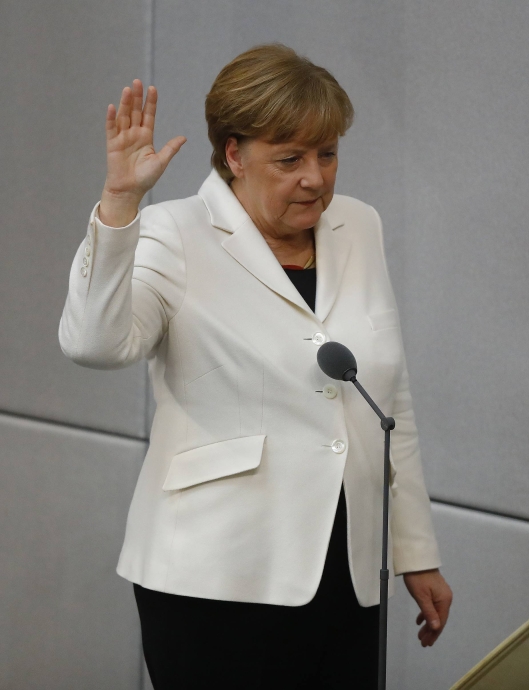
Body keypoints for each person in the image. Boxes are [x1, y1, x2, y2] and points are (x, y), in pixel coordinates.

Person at [59, 44, 451, 688]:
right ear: (234, 154)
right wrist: (120, 205)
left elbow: (388, 400)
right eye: (290, 159)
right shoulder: (171, 232)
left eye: (327, 155)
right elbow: (94, 344)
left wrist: (414, 551)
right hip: (215, 575)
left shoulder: (360, 226)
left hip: (345, 572)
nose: (316, 178)